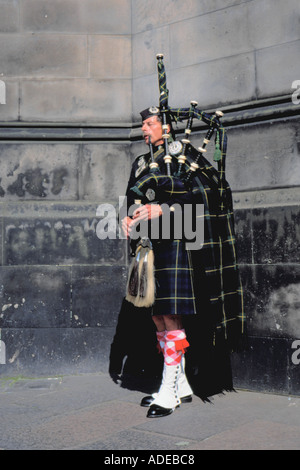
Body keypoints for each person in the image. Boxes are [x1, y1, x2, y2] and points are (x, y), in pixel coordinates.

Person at [118, 105, 245, 418]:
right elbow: (132, 198)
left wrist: (164, 209)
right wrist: (126, 217)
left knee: (170, 314)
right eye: (144, 124)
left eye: (150, 123)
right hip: (147, 245)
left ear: (166, 127)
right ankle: (181, 385)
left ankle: (167, 390)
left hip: (176, 241)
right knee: (156, 315)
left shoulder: (184, 154)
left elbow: (207, 192)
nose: (145, 130)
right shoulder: (142, 161)